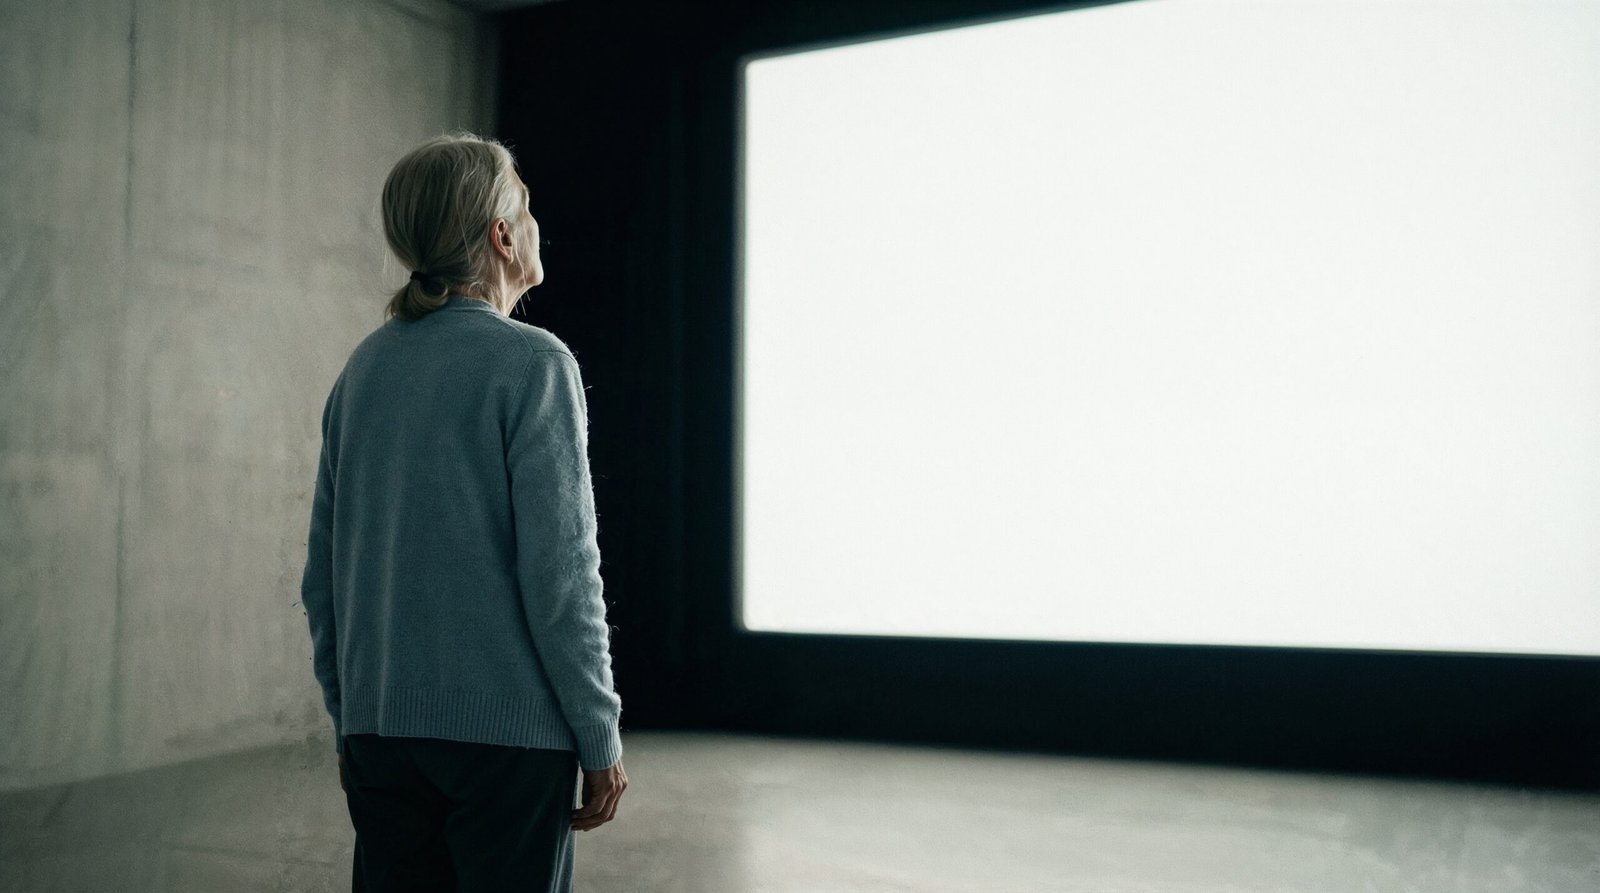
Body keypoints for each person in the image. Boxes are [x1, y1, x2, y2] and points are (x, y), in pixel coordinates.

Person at [299, 132, 628, 893]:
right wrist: (598, 730)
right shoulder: (535, 363)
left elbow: (324, 577)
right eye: (526, 206)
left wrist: (352, 717)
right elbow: (562, 575)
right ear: (502, 236)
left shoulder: (363, 369)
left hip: (382, 735)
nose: (537, 223)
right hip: (508, 747)